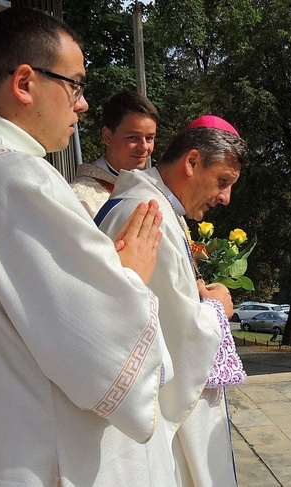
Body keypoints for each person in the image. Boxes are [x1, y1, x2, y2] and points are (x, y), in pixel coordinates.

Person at [0, 7, 171, 485]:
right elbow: (99, 350)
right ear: (25, 82)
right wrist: (128, 275)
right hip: (35, 453)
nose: (82, 105)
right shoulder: (15, 177)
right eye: (76, 85)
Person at [95, 122, 249, 486]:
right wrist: (215, 310)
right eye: (223, 181)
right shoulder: (148, 214)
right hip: (165, 416)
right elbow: (175, 337)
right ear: (192, 161)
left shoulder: (157, 206)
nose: (225, 198)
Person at [71, 90, 159, 216]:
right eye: (133, 137)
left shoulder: (154, 191)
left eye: (149, 138)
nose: (144, 147)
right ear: (108, 136)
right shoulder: (80, 199)